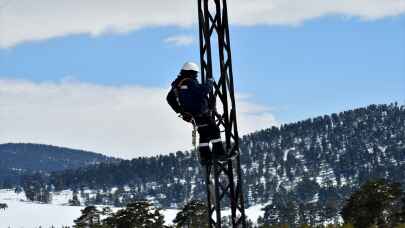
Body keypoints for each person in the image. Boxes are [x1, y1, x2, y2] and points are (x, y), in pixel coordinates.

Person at [167, 62, 228, 166]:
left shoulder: (177, 84)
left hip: (191, 116)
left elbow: (169, 98)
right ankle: (220, 154)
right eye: (196, 74)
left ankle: (206, 158)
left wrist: (181, 111)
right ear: (192, 72)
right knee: (214, 130)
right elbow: (202, 91)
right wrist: (210, 82)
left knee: (204, 134)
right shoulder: (190, 82)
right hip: (201, 113)